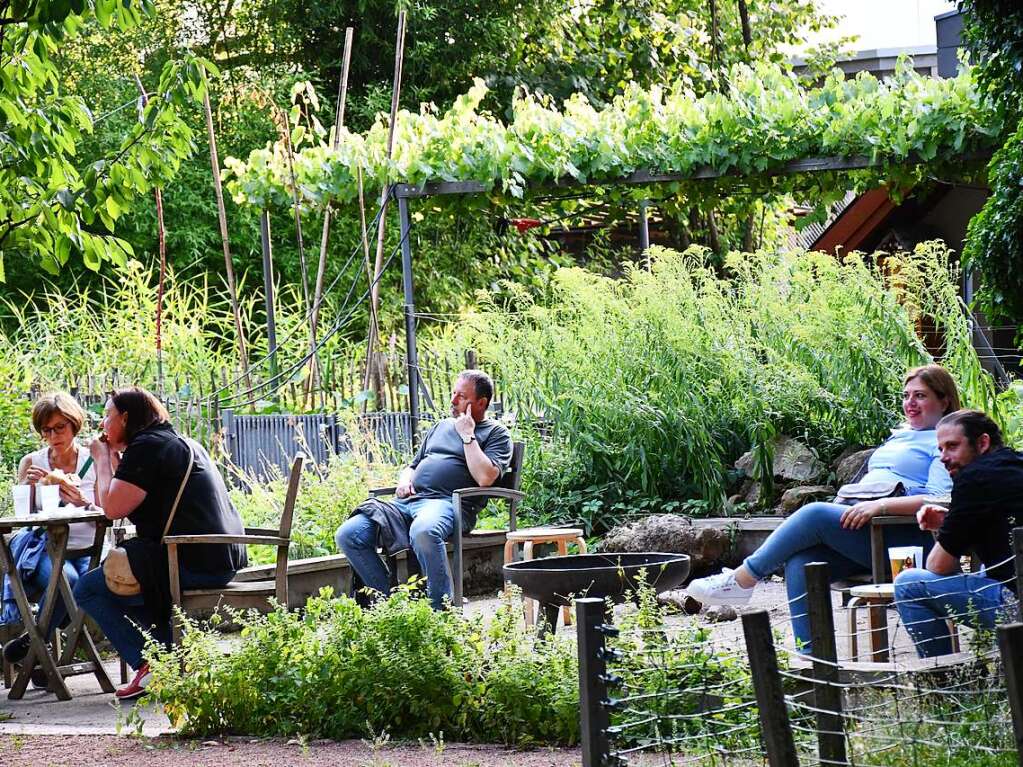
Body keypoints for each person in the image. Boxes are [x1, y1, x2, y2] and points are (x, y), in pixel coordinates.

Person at [687, 364, 960, 652]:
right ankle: (813, 658)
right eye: (906, 396)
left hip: (905, 539)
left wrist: (880, 505)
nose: (910, 403)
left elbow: (940, 499)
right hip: (867, 532)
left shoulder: (942, 440)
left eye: (920, 395)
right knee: (803, 563)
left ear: (944, 400)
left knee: (814, 513)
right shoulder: (901, 435)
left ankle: (742, 579)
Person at [74, 387, 247, 700]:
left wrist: (100, 459)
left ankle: (152, 662)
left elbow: (112, 509)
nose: (102, 425)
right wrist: (112, 459)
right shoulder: (172, 441)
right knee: (127, 579)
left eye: (107, 417)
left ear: (125, 418)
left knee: (89, 588)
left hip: (191, 559)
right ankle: (170, 656)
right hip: (218, 555)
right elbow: (123, 500)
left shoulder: (147, 447)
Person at [336, 369, 513, 610]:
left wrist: (468, 436)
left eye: (461, 396)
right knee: (349, 534)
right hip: (408, 502)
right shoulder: (440, 427)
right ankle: (389, 606)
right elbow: (413, 465)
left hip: (448, 504)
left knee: (424, 530)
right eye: (453, 393)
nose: (452, 401)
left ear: (481, 402)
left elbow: (485, 478)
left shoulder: (496, 434)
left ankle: (441, 612)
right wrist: (404, 480)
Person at [895, 410, 1022, 657]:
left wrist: (943, 530)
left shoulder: (974, 478)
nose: (944, 457)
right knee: (989, 571)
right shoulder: (1015, 466)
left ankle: (942, 686)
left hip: (1017, 606)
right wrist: (950, 523)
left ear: (983, 443)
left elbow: (939, 566)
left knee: (909, 584)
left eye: (952, 447)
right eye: (940, 449)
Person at [2, 393, 99, 677]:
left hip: (91, 548)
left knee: (86, 585)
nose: (53, 435)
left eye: (60, 427)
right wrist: (31, 489)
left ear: (74, 425)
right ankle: (41, 656)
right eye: (47, 430)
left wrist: (83, 501)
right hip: (48, 549)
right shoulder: (32, 461)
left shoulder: (93, 460)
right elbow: (25, 517)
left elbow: (112, 510)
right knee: (68, 581)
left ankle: (32, 648)